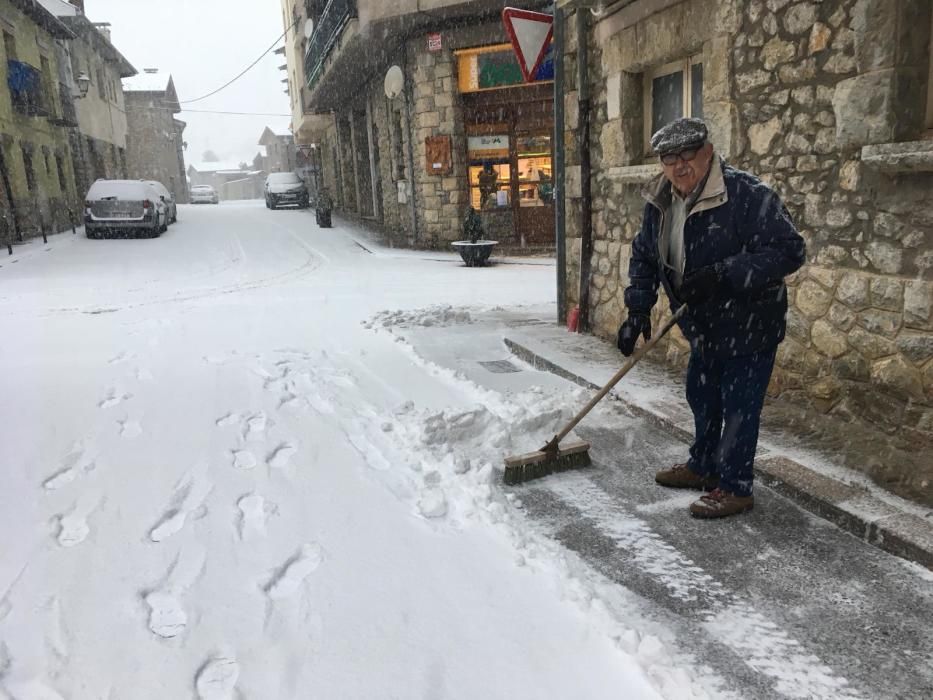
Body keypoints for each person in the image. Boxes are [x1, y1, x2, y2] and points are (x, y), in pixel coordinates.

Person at [617, 117, 805, 519]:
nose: (679, 166)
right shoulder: (661, 200)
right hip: (701, 326)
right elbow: (645, 256)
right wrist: (637, 308)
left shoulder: (748, 195)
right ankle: (704, 466)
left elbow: (790, 251)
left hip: (749, 325)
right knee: (702, 397)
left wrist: (725, 274)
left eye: (688, 155)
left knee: (738, 407)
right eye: (669, 158)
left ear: (708, 152)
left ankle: (735, 487)